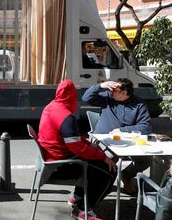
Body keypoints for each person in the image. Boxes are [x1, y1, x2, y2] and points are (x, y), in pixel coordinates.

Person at [38, 79, 117, 220]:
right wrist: (102, 156)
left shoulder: (51, 106)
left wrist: (88, 143)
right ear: (72, 96)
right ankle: (83, 210)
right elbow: (78, 149)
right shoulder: (66, 117)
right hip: (60, 166)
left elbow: (72, 138)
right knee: (109, 170)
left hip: (51, 160)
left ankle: (77, 198)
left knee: (94, 164)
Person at [82, 78, 152, 194]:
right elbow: (86, 98)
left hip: (128, 141)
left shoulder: (139, 105)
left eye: (114, 90)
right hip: (104, 139)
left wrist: (122, 130)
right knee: (106, 160)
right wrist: (101, 85)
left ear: (124, 93)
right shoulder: (107, 98)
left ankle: (126, 175)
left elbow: (146, 127)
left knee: (145, 160)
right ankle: (96, 188)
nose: (111, 91)